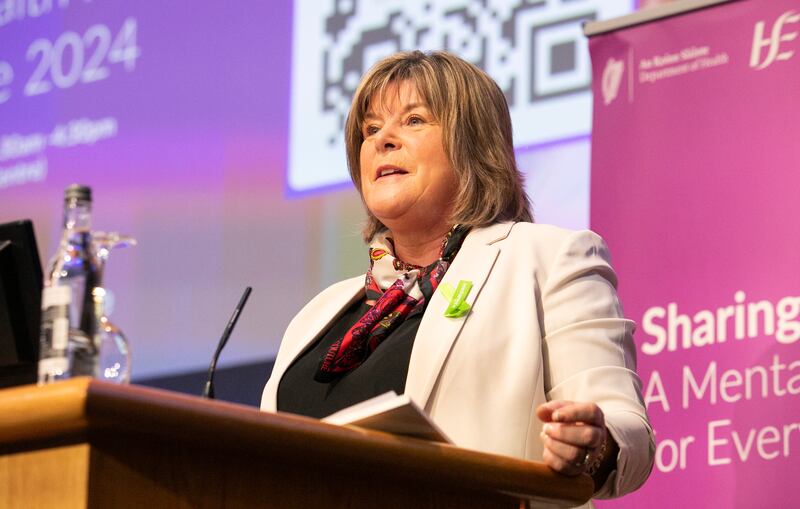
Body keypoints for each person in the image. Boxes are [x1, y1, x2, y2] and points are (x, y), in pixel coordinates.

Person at [261, 50, 654, 505]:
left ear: (473, 143)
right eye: (370, 130)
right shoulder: (317, 317)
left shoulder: (546, 259)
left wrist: (594, 444)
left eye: (413, 120)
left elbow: (629, 434)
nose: (383, 139)